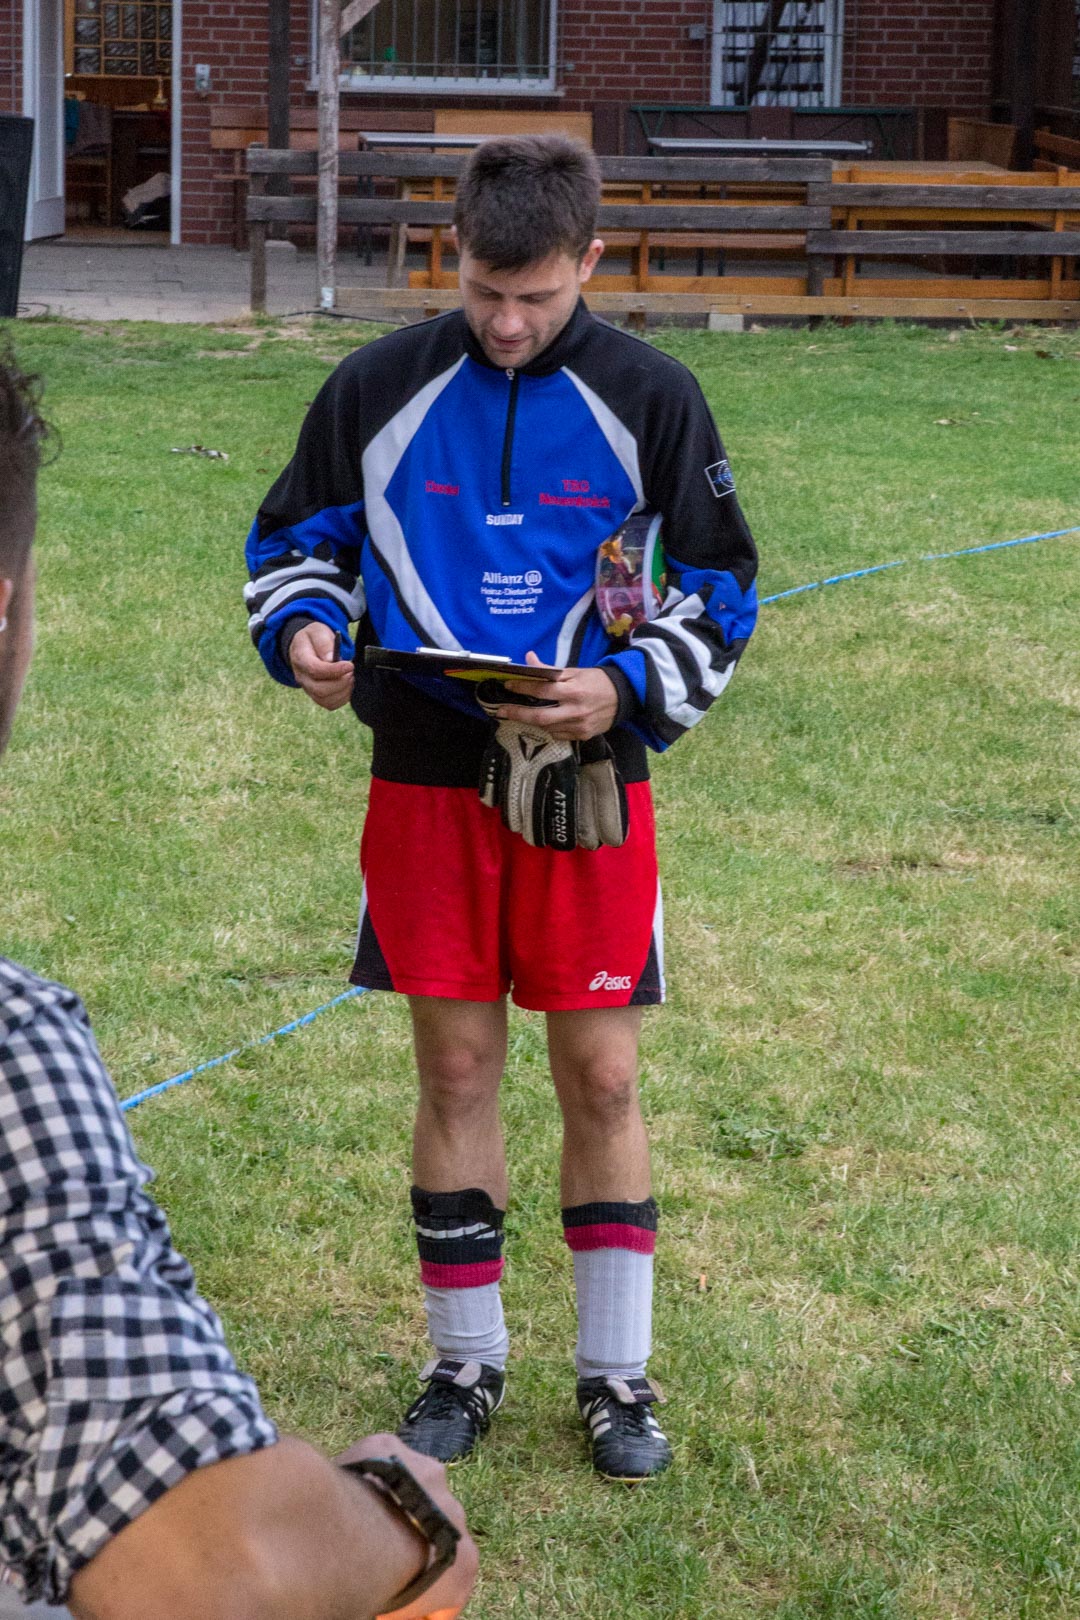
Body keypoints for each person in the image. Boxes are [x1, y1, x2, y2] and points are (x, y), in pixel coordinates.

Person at [245, 136, 758, 1482]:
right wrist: (304, 632)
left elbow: (723, 587)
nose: (509, 322)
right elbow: (294, 545)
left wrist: (626, 683)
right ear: (452, 258)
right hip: (425, 772)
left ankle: (617, 1376)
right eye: (483, 291)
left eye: (537, 294)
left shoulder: (654, 395)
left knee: (603, 1073)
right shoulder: (376, 386)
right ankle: (464, 1361)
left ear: (591, 260)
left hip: (586, 779)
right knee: (459, 1068)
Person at [0, 348, 476, 1620]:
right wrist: (409, 1511)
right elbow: (214, 1569)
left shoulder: (645, 395)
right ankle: (466, 1363)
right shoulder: (11, 1055)